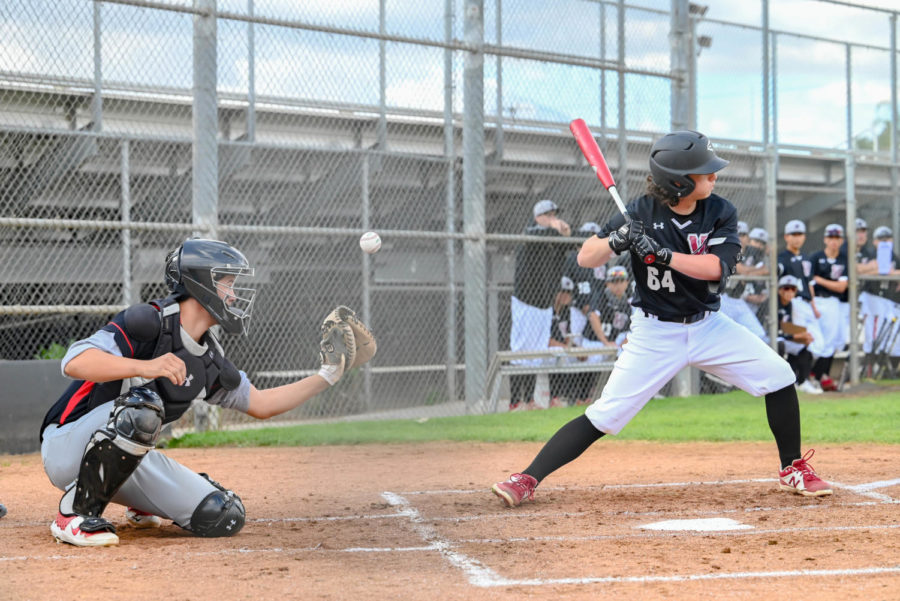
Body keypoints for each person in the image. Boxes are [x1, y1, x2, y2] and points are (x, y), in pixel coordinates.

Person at [491, 130, 832, 508]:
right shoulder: (638, 211)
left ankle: (792, 468)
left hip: (708, 326)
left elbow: (715, 267)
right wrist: (616, 241)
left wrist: (665, 255)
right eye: (705, 173)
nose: (714, 177)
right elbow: (586, 257)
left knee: (779, 375)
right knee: (605, 415)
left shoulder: (720, 212)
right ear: (680, 182)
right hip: (654, 333)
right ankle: (526, 478)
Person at [39, 238, 375, 547]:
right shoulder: (148, 322)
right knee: (143, 408)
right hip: (67, 446)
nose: (234, 295)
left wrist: (329, 374)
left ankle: (136, 502)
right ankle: (74, 513)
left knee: (223, 514)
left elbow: (262, 404)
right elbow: (75, 361)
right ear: (200, 284)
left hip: (128, 461)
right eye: (228, 284)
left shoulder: (210, 362)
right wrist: (146, 367)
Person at [509, 199, 571, 410]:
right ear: (538, 217)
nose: (554, 218)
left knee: (536, 351)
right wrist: (554, 227)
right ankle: (516, 401)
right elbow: (535, 236)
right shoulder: (531, 231)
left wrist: (564, 232)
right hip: (527, 301)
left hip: (544, 303)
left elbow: (571, 244)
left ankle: (532, 400)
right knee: (521, 352)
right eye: (549, 215)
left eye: (555, 215)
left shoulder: (551, 236)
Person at [808, 224, 850, 391]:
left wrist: (820, 280)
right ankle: (811, 375)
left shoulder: (843, 259)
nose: (834, 241)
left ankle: (818, 375)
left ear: (841, 240)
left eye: (837, 238)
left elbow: (841, 287)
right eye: (831, 238)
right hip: (817, 301)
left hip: (834, 303)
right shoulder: (816, 257)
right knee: (817, 340)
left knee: (834, 341)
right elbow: (809, 282)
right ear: (825, 239)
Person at [776, 275, 821, 395]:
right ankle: (779, 382)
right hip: (769, 337)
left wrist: (801, 336)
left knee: (803, 347)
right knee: (781, 344)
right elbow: (772, 331)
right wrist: (795, 337)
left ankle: (800, 381)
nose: (790, 292)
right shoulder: (774, 303)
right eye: (786, 288)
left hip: (783, 337)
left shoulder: (790, 305)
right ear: (780, 290)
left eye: (793, 289)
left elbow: (787, 328)